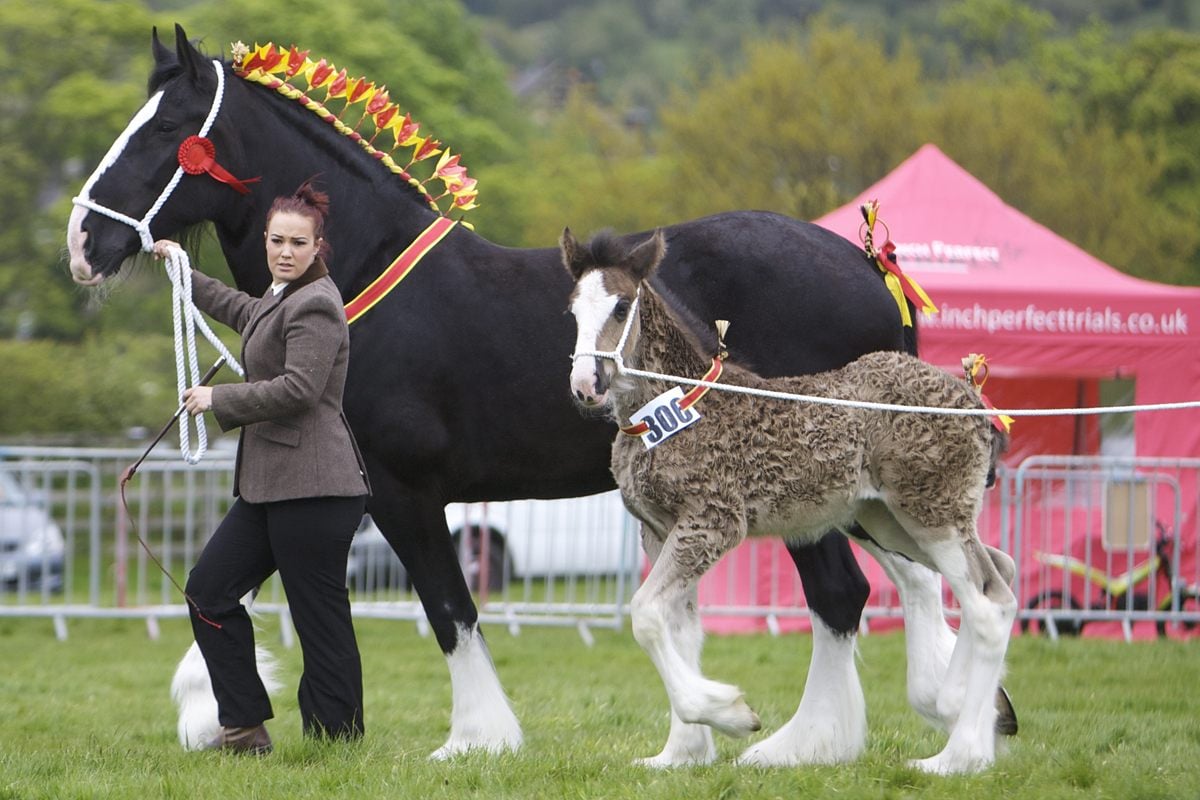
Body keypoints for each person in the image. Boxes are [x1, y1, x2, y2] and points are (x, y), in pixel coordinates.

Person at [154, 179, 370, 755]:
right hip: (270, 488)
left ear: (317, 246)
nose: (284, 251)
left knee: (318, 618)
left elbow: (300, 389)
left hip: (318, 489)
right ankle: (244, 727)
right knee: (209, 592)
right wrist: (181, 271)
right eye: (277, 240)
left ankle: (337, 742)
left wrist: (217, 399)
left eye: (298, 243)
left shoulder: (317, 305)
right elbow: (238, 307)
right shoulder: (278, 298)